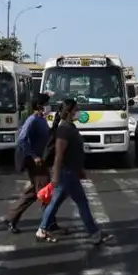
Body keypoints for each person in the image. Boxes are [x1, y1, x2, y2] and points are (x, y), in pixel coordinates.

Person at [35, 99, 114, 245]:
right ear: (69, 112)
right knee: (82, 203)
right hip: (66, 174)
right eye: (76, 109)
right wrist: (56, 177)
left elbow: (74, 152)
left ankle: (42, 229)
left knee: (55, 203)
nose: (79, 112)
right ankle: (95, 234)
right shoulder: (64, 129)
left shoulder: (69, 127)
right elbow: (59, 155)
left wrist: (80, 170)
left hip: (70, 172)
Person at [5, 93, 62, 234]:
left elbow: (47, 137)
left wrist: (55, 124)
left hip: (40, 161)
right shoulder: (32, 120)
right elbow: (22, 139)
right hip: (35, 163)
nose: (49, 106)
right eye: (47, 103)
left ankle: (12, 218)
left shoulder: (41, 119)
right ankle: (49, 224)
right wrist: (34, 156)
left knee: (32, 193)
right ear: (39, 106)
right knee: (46, 193)